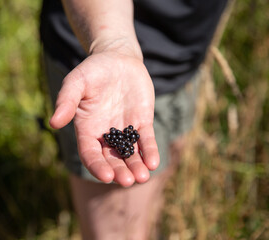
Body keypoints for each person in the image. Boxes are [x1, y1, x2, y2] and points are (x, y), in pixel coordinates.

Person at [40, 0, 228, 239]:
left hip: (185, 63)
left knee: (151, 202)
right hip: (104, 64)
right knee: (121, 230)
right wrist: (113, 45)